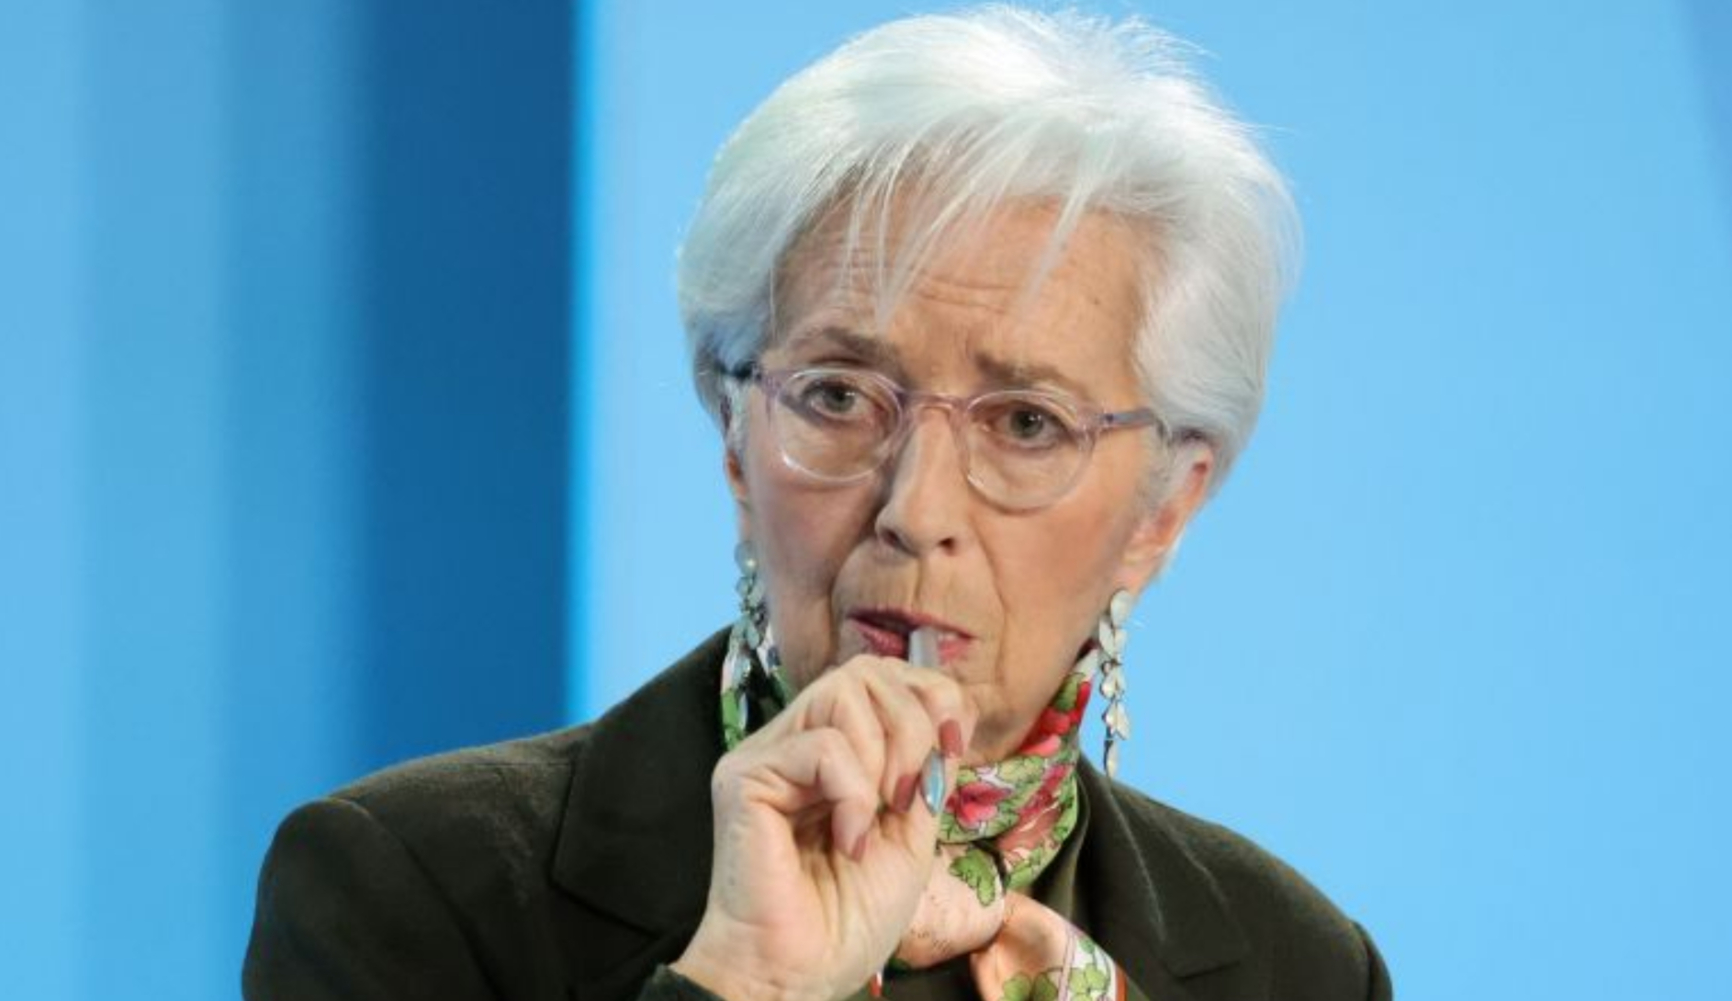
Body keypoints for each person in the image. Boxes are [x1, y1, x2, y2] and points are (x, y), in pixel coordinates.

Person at [243, 7, 1390, 1000]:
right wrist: (744, 980)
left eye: (1026, 422)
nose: (916, 509)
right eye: (840, 395)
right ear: (737, 441)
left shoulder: (1297, 961)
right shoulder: (408, 885)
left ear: (1162, 509)